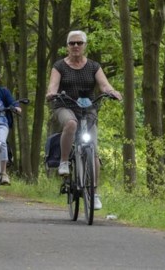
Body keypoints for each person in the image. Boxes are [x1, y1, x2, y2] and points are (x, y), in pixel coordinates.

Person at [45, 30, 122, 210]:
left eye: (79, 43)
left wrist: (112, 92)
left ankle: (94, 193)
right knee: (71, 124)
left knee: (93, 150)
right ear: (67, 46)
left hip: (88, 110)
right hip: (65, 106)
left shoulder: (93, 66)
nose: (76, 46)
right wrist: (51, 93)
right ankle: (64, 161)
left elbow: (104, 85)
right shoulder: (59, 66)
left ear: (85, 45)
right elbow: (53, 85)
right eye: (72, 43)